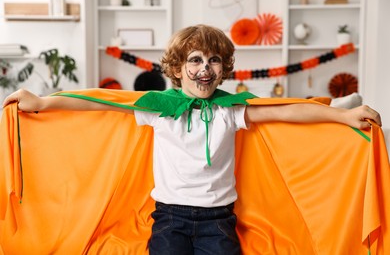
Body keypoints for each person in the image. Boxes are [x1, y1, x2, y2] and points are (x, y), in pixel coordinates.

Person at [2, 24, 382, 254]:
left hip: (219, 221)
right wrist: (44, 102)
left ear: (224, 69)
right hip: (170, 219)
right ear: (178, 69)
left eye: (214, 61)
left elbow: (285, 110)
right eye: (195, 60)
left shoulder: (229, 109)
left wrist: (342, 115)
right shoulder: (158, 106)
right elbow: (96, 104)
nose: (205, 69)